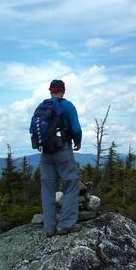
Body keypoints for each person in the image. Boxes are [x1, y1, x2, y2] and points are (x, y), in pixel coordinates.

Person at [32, 79, 83, 237]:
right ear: (64, 90)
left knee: (47, 188)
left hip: (46, 152)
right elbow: (76, 128)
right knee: (71, 183)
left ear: (50, 90)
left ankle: (49, 228)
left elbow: (32, 129)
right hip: (63, 149)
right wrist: (77, 142)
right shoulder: (67, 105)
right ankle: (66, 225)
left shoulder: (41, 106)